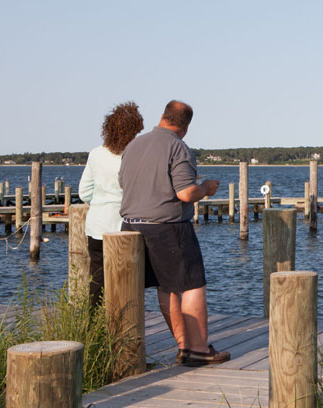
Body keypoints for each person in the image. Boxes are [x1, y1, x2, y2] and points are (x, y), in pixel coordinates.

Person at [118, 100, 230, 366]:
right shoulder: (177, 147)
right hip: (167, 227)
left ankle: (183, 346)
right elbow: (185, 193)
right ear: (186, 126)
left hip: (131, 226)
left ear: (162, 117)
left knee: (166, 288)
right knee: (192, 285)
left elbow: (123, 183)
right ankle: (199, 349)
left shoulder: (133, 146)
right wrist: (205, 188)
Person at [78, 102, 144, 307]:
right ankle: (122, 329)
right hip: (124, 228)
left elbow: (84, 192)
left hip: (97, 225)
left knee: (96, 282)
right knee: (126, 283)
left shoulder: (96, 154)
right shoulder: (136, 155)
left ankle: (93, 329)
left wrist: (100, 202)